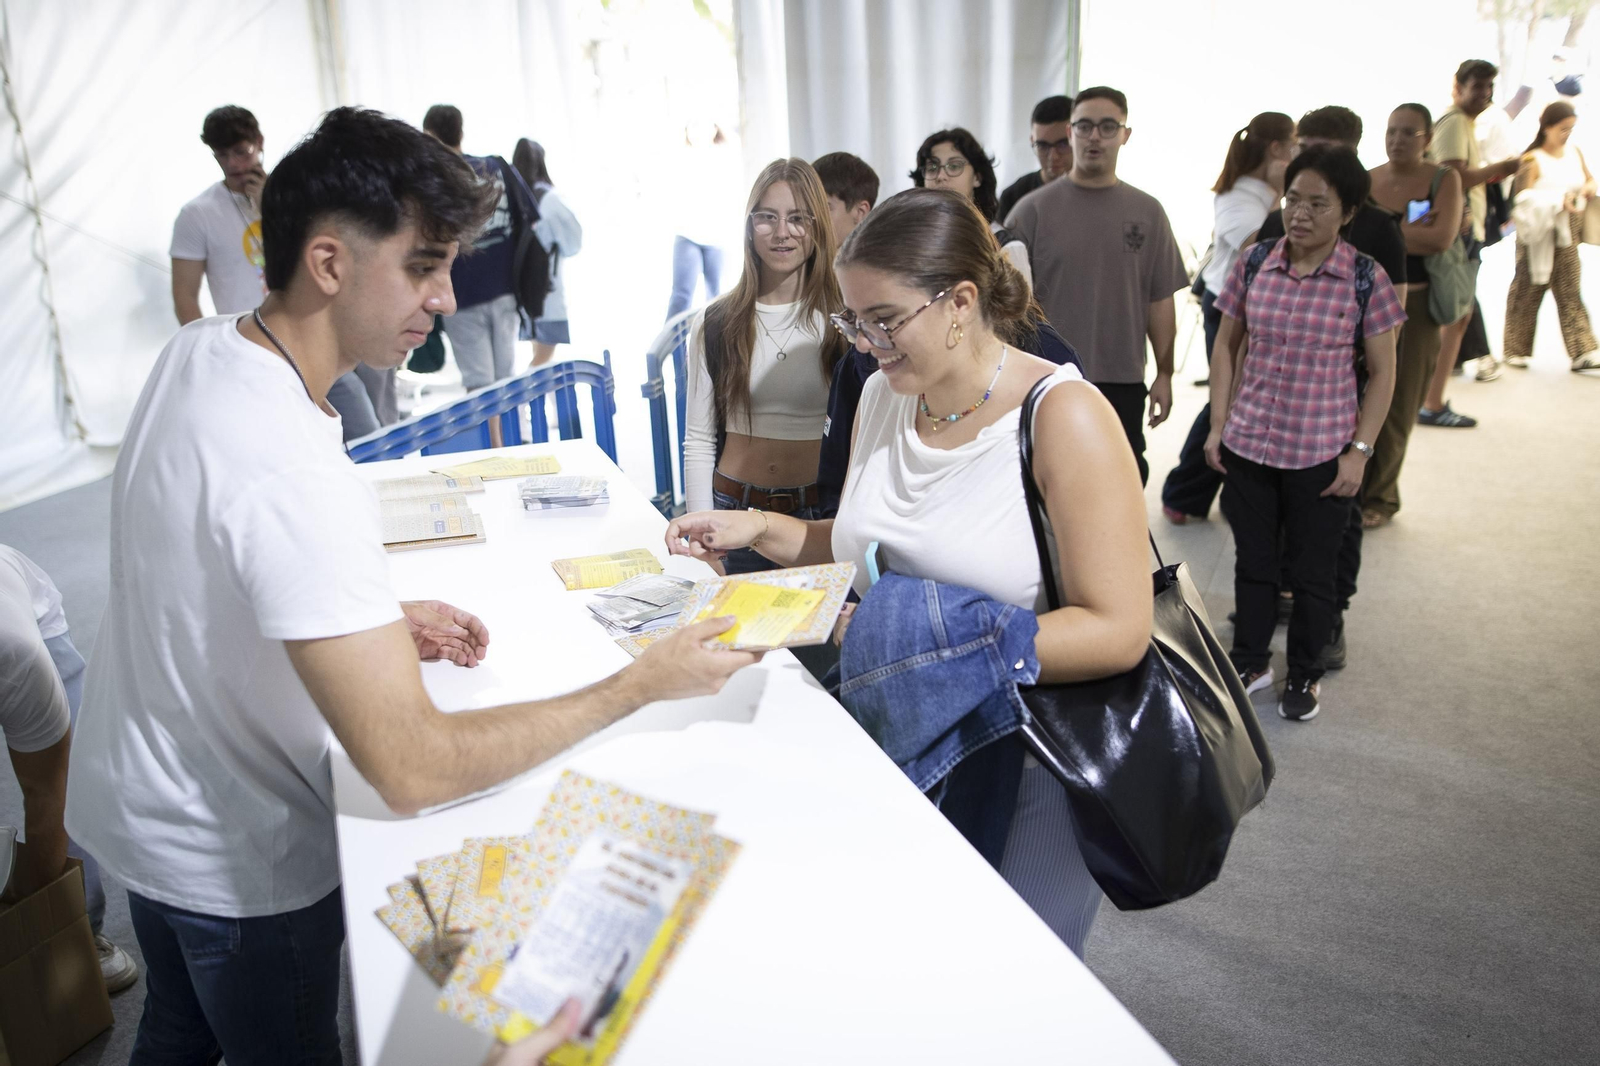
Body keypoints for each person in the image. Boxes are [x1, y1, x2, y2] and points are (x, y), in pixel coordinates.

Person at [64, 107, 761, 1065]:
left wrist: (367, 617)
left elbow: (202, 562)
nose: (445, 296)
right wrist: (639, 682)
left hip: (143, 805)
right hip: (240, 863)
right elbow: (411, 767)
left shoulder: (204, 350)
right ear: (329, 263)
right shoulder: (292, 468)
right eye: (424, 265)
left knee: (178, 1033)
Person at [665, 187, 1151, 956]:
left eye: (884, 320)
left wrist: (900, 634)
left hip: (1028, 750)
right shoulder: (885, 396)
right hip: (901, 720)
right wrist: (757, 526)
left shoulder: (1064, 416)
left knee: (1006, 970)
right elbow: (868, 547)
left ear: (960, 302)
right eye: (853, 321)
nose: (866, 344)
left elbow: (1119, 630)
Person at [1204, 146, 1405, 722]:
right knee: (1253, 563)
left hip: (1321, 450)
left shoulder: (1365, 277)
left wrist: (1359, 454)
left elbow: (1384, 372)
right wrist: (1219, 425)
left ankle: (1306, 672)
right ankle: (1251, 661)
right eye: (1293, 199)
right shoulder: (1255, 262)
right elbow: (1226, 345)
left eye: (1319, 204)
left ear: (1348, 212)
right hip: (1250, 443)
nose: (1300, 213)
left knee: (1315, 574)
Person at [1247, 106, 1409, 663]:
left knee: (1337, 520)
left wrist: (1360, 435)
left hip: (1339, 400)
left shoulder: (1378, 230)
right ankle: (1272, 605)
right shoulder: (1277, 227)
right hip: (1272, 405)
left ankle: (1331, 613)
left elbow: (1391, 323)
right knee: (1272, 523)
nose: (1303, 210)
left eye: (1324, 147)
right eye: (1303, 146)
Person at [1006, 86, 1189, 485]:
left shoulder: (1148, 212)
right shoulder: (1031, 211)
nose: (1094, 137)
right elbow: (1006, 305)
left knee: (1122, 479)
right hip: (1046, 373)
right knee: (1045, 482)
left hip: (1121, 378)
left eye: (1107, 127)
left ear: (1125, 134)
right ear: (1070, 131)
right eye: (1084, 126)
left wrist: (1165, 374)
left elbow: (1160, 299)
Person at [171, 106, 388, 440]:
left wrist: (269, 208)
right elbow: (184, 296)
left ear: (259, 143)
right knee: (298, 438)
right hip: (255, 350)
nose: (233, 164)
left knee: (367, 427)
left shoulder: (297, 196)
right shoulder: (197, 214)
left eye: (241, 152)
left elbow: (329, 258)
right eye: (222, 155)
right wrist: (213, 355)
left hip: (319, 333)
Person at [681, 158, 846, 574]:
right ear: (749, 225)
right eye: (767, 217)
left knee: (819, 621)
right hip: (732, 513)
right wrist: (702, 534)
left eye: (797, 218)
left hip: (817, 519)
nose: (781, 232)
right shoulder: (715, 322)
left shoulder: (845, 318)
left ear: (817, 227)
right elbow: (698, 440)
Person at [0, 545, 138, 994]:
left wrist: (35, 920)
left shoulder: (17, 658)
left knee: (72, 782)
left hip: (28, 618)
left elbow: (48, 795)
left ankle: (81, 929)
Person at [1161, 112, 1296, 525]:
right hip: (1227, 306)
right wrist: (1286, 196)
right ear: (1277, 148)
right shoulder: (1240, 195)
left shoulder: (1264, 194)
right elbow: (1259, 246)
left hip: (1247, 307)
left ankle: (1194, 493)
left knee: (1234, 399)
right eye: (1295, 145)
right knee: (1228, 400)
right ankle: (1182, 492)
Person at [1362, 105, 1466, 529]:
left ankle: (1381, 497)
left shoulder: (1443, 178)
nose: (1397, 140)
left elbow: (1440, 239)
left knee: (1401, 402)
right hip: (1365, 303)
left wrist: (1384, 233)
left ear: (1428, 138)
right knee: (1360, 397)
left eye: (1408, 133)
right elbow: (1353, 236)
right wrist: (1406, 232)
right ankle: (1354, 486)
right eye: (1391, 131)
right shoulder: (1368, 179)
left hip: (1417, 307)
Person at [1421, 60, 1523, 419]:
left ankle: (1430, 400)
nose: (1485, 94)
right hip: (1458, 235)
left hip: (1464, 232)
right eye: (1478, 86)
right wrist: (1502, 168)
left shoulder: (1462, 122)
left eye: (1489, 87)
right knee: (1453, 317)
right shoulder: (1454, 122)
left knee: (1458, 317)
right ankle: (1431, 402)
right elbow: (1453, 176)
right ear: (1458, 87)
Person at [425, 103, 535, 390]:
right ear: (461, 132)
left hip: (463, 295)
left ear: (429, 136)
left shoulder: (432, 183)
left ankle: (496, 425)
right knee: (507, 379)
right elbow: (531, 219)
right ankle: (513, 423)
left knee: (479, 386)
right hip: (505, 290)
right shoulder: (496, 168)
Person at [1504, 101, 1600, 372]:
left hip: (1568, 231)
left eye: (1571, 129)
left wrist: (1587, 190)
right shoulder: (1532, 159)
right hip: (1538, 234)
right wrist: (1559, 200)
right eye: (1562, 128)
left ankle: (1583, 349)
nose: (1566, 134)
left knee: (1570, 287)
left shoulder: (1574, 152)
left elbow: (1589, 179)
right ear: (1547, 127)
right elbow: (1521, 199)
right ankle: (1514, 348)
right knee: (1527, 289)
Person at [912, 127, 1032, 287]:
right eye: (932, 168)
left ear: (977, 177)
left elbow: (1021, 304)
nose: (941, 176)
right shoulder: (913, 239)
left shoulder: (1005, 248)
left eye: (954, 166)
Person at [512, 138, 583, 367]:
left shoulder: (514, 198)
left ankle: (540, 392)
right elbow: (573, 243)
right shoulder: (550, 199)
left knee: (539, 350)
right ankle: (526, 392)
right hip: (546, 291)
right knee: (544, 356)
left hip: (520, 291)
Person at [667, 123, 737, 320]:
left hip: (717, 239)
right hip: (687, 235)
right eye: (694, 126)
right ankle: (672, 340)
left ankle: (715, 340)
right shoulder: (681, 156)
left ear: (714, 128)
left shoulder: (724, 156)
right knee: (681, 295)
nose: (699, 131)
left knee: (717, 297)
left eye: (704, 125)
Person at [998, 94, 1074, 220]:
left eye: (1063, 144)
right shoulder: (1014, 196)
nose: (1053, 156)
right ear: (1032, 141)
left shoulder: (1096, 192)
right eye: (1042, 146)